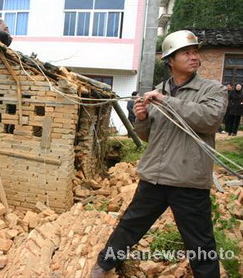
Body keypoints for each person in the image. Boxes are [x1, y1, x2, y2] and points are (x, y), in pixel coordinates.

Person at [91, 30, 227, 278]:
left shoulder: (212, 90)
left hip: (188, 179)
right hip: (154, 176)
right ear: (170, 60)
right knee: (130, 226)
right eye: (186, 52)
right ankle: (104, 264)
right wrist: (141, 118)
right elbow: (148, 136)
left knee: (199, 242)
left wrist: (166, 101)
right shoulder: (156, 90)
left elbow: (210, 120)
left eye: (195, 51)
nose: (194, 56)